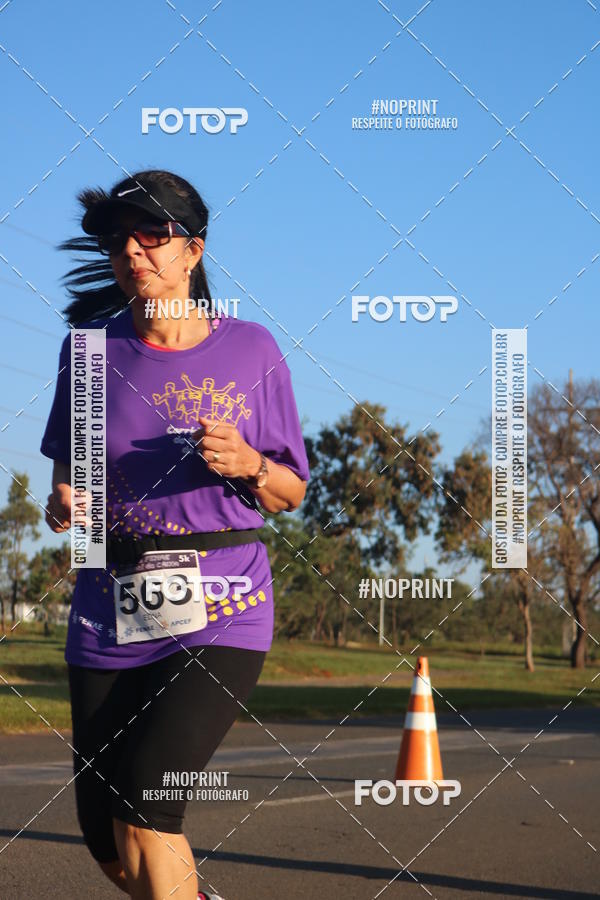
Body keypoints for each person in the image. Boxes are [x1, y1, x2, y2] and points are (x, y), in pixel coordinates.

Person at [41, 169, 310, 899]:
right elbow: (74, 479)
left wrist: (252, 464)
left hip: (222, 604)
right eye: (122, 240)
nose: (136, 253)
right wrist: (66, 501)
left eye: (154, 237)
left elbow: (291, 491)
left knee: (147, 797)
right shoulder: (90, 353)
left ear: (192, 250)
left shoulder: (251, 350)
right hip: (109, 606)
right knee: (107, 842)